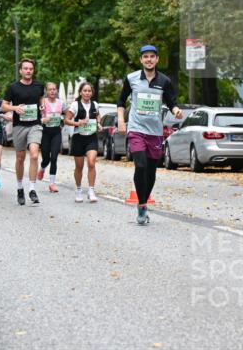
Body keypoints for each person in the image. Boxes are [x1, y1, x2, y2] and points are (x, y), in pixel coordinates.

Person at [117, 44, 182, 225]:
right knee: (141, 164)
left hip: (155, 132)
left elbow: (171, 102)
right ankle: (142, 204)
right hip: (137, 129)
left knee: (151, 170)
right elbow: (121, 100)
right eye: (145, 56)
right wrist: (121, 121)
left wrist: (176, 110)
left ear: (157, 59)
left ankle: (143, 201)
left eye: (152, 56)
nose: (149, 59)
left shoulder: (164, 81)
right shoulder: (131, 79)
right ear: (141, 60)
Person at [1, 59, 45, 205]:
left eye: (30, 69)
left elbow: (41, 98)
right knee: (20, 158)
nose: (28, 71)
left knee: (33, 155)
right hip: (19, 126)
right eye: (25, 68)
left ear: (33, 70)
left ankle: (32, 189)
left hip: (35, 125)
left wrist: (42, 105)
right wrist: (15, 109)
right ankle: (20, 188)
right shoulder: (13, 88)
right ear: (20, 71)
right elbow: (3, 106)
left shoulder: (39, 85)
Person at [66, 82, 102, 203]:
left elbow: (98, 117)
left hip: (91, 137)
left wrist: (99, 124)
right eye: (85, 91)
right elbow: (66, 120)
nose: (87, 93)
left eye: (89, 91)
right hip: (78, 138)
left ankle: (91, 190)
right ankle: (78, 189)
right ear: (81, 92)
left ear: (92, 93)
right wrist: (78, 123)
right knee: (79, 167)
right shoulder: (75, 105)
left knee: (91, 163)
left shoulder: (95, 104)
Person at [39, 82, 65, 193]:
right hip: (45, 132)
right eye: (50, 89)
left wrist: (63, 118)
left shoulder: (61, 103)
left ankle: (52, 183)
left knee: (54, 157)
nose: (52, 91)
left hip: (56, 132)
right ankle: (42, 168)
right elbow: (36, 117)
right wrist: (42, 120)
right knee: (46, 158)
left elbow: (67, 114)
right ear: (46, 91)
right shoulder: (42, 102)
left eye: (54, 89)